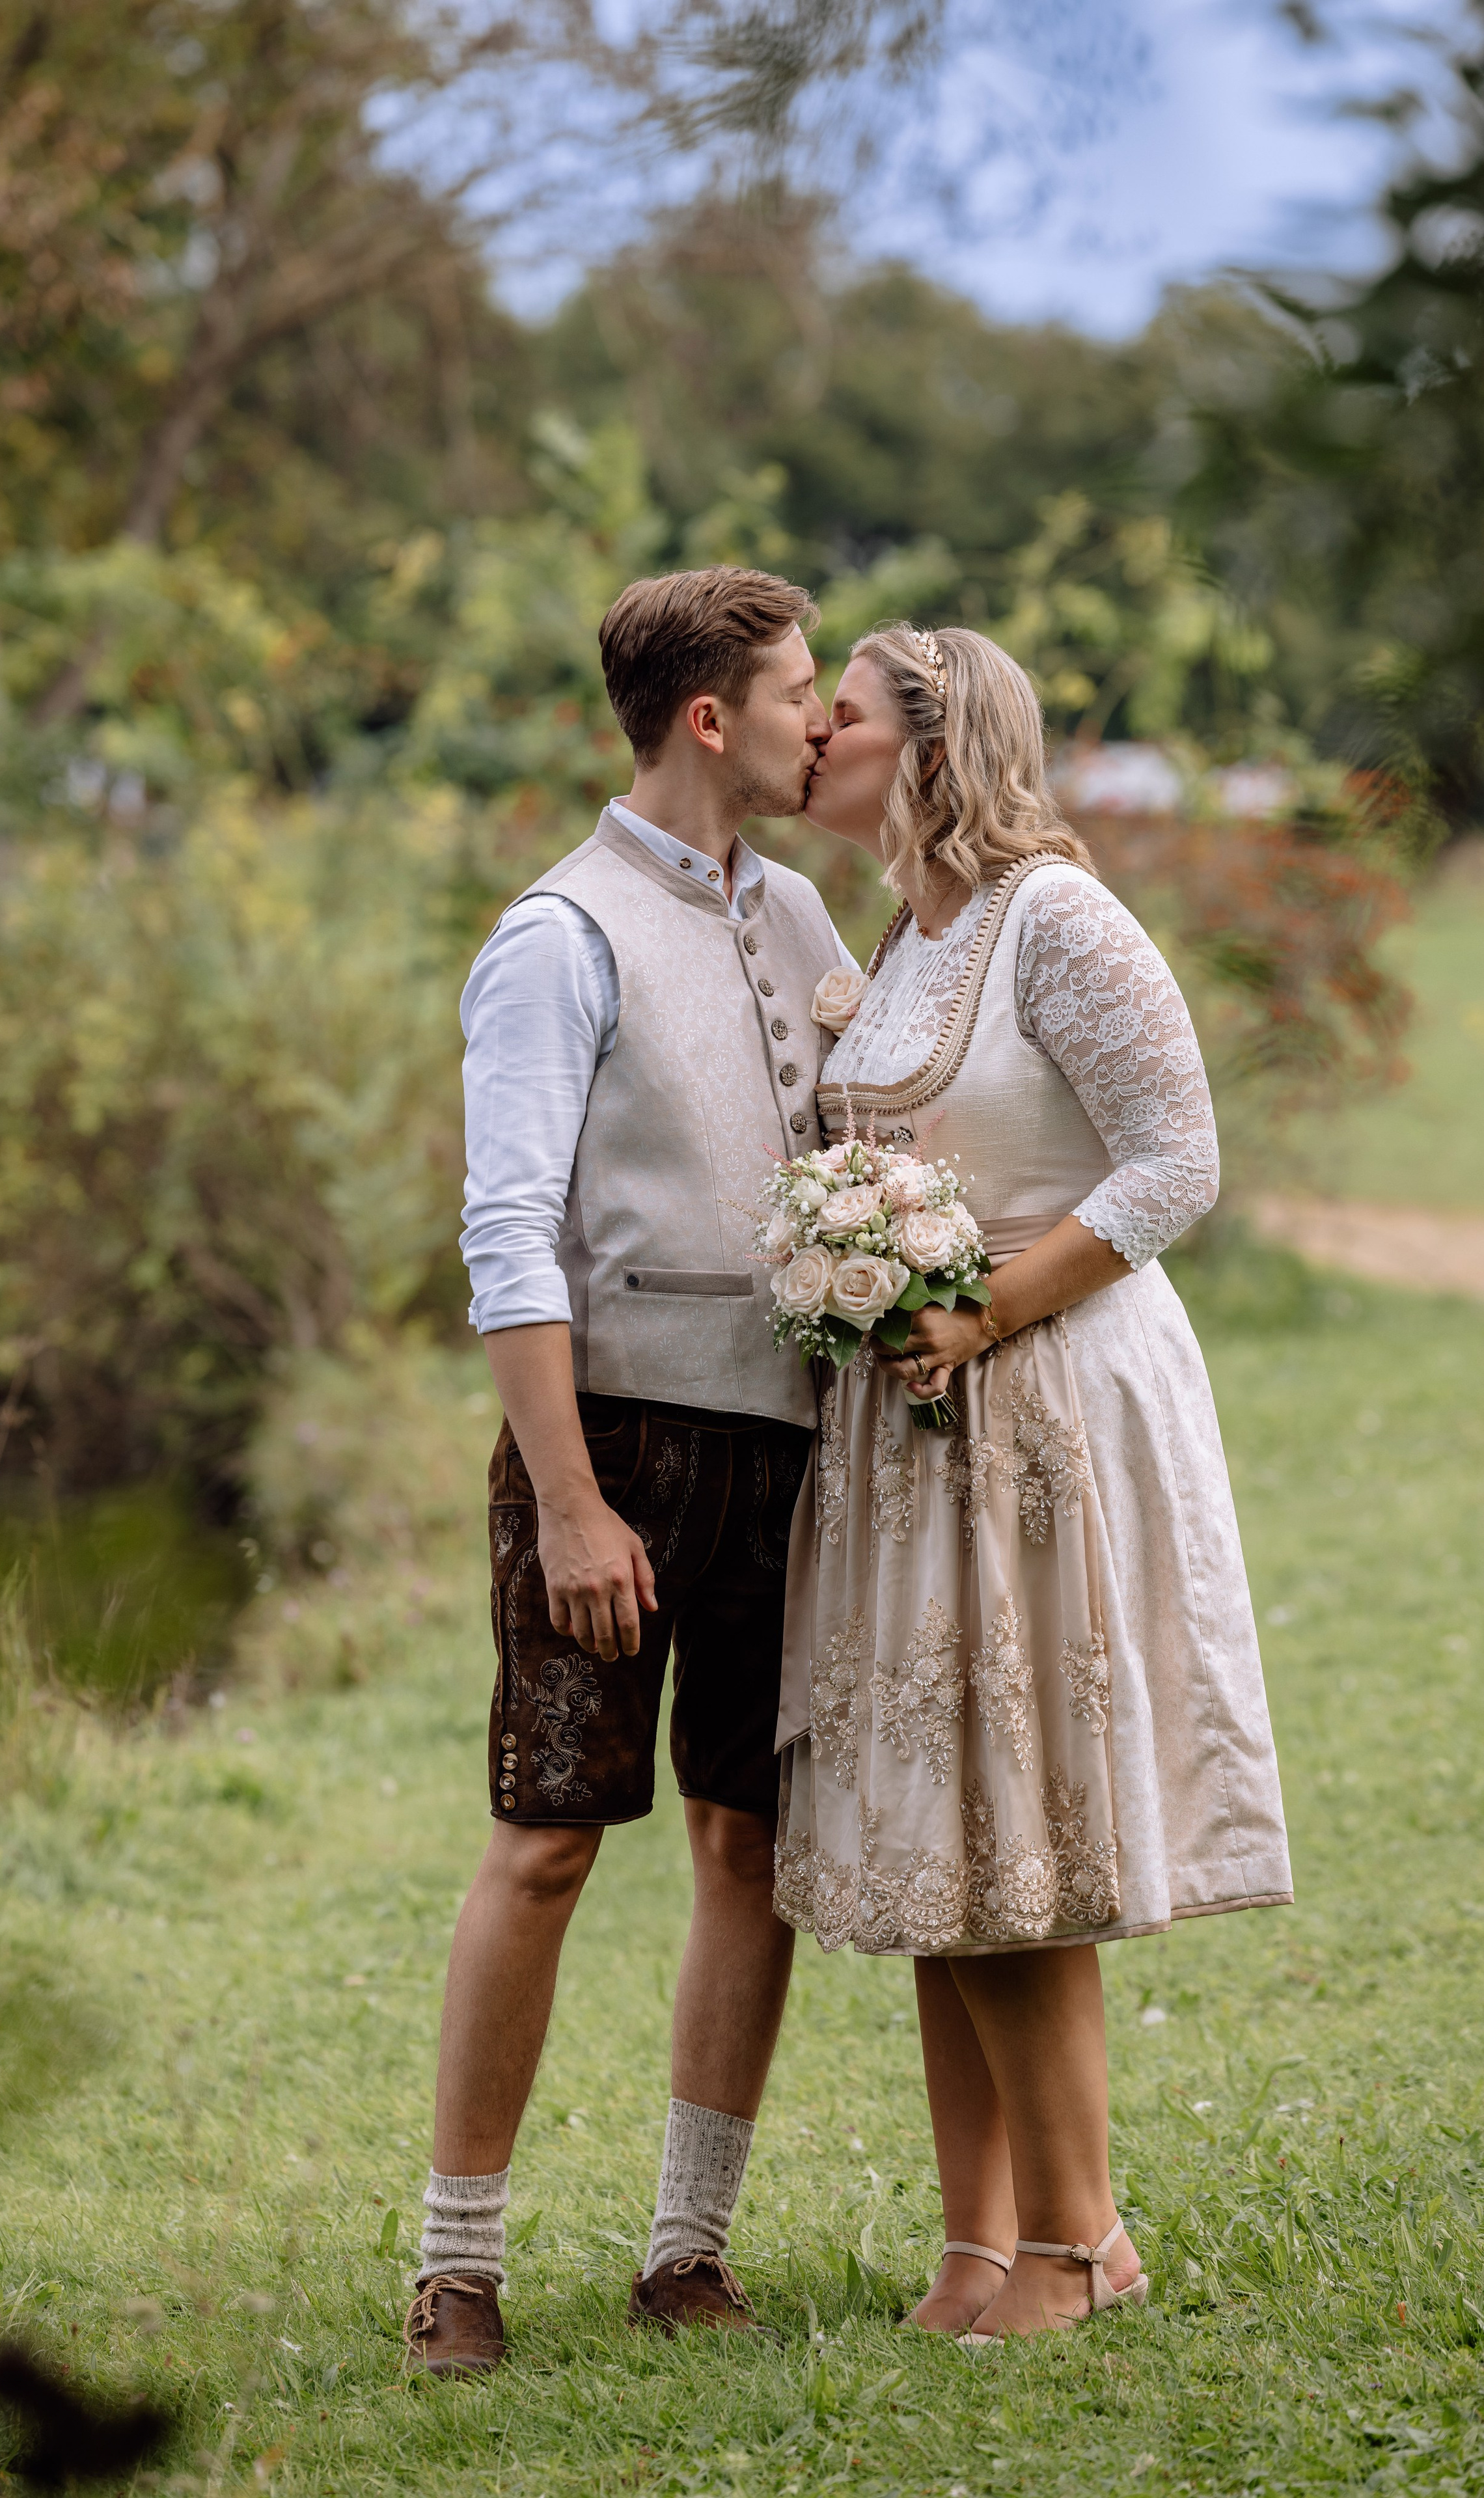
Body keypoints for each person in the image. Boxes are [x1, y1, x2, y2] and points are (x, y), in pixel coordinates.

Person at [771, 622, 1291, 2341]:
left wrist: (987, 1307)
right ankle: (977, 2241)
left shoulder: (1054, 917)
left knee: (1024, 1832)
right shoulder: (898, 935)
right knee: (948, 1825)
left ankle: (1079, 2242)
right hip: (912, 1432)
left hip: (1045, 1402)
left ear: (929, 747)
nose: (813, 734)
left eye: (841, 713)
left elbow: (1178, 1160)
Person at [402, 566, 859, 2376]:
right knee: (546, 1844)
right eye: (800, 691)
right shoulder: (557, 934)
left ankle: (690, 2251)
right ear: (709, 718)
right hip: (611, 1449)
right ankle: (456, 2268)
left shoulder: (802, 909)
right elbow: (505, 1234)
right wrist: (572, 1503)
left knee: (750, 1839)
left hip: (787, 1446)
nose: (823, 718)